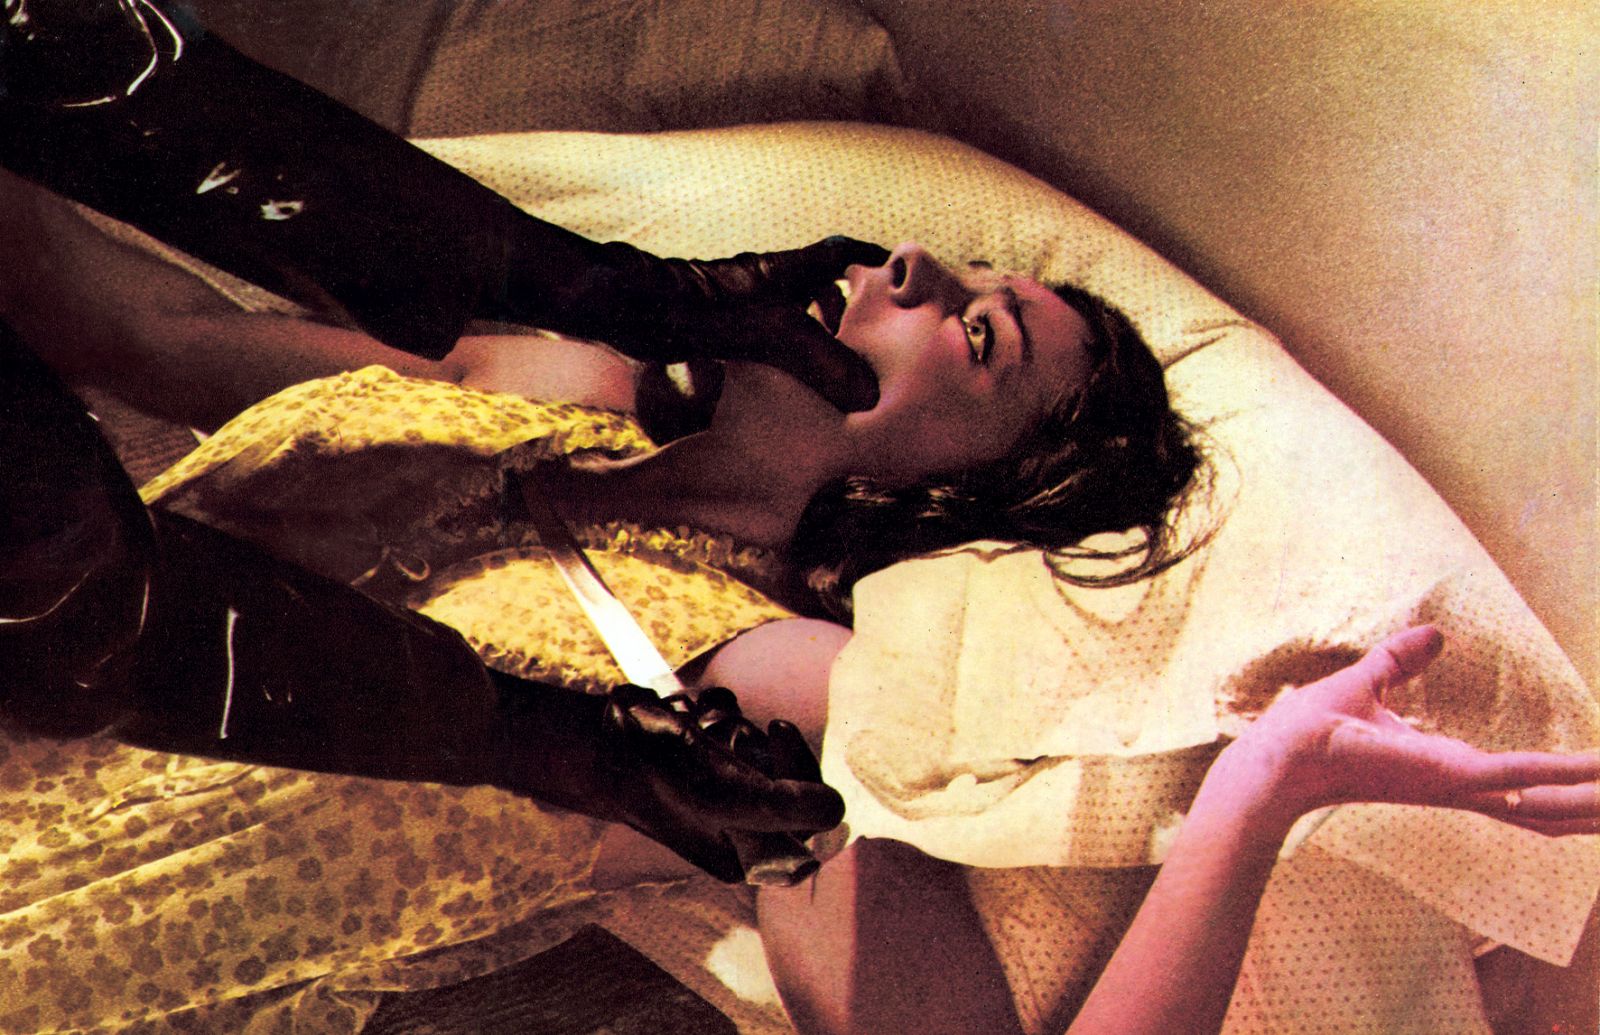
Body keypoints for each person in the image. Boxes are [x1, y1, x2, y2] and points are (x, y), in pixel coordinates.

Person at [5, 164, 1597, 1035]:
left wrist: (1259, 792)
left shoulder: (766, 687)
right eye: (943, 269)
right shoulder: (532, 390)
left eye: (975, 332)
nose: (907, 267)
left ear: (933, 495)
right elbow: (133, 329)